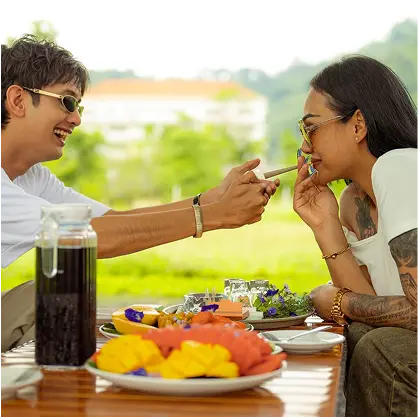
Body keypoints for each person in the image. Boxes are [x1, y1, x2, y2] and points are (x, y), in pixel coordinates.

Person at [0, 35, 279, 352]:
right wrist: (211, 216)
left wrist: (211, 200)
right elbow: (89, 236)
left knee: (54, 293)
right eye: (67, 102)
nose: (76, 118)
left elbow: (111, 220)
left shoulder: (32, 176)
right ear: (18, 100)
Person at [293, 55, 418, 418]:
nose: (305, 147)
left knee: (380, 345)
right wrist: (325, 226)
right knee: (364, 334)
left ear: (358, 124)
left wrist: (338, 301)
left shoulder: (401, 166)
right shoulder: (353, 201)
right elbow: (373, 310)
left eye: (311, 128)